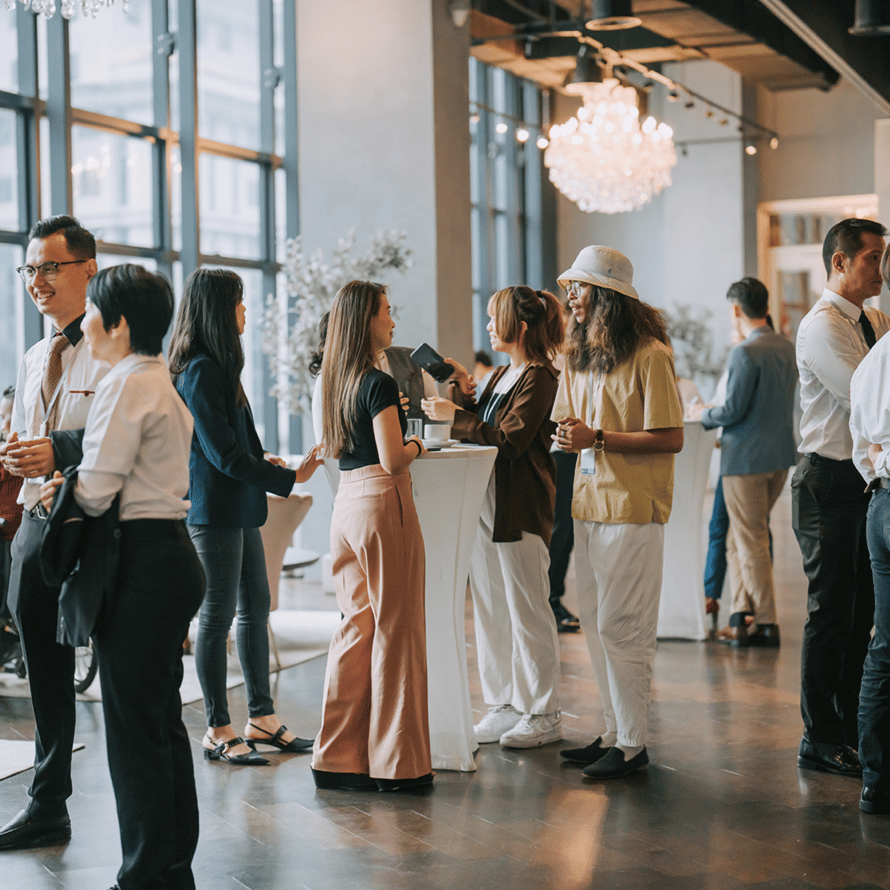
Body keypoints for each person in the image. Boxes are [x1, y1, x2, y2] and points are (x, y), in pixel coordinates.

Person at [39, 264, 205, 889]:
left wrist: (62, 489)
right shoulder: (159, 379)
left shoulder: (125, 383)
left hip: (139, 565)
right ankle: (168, 869)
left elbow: (100, 485)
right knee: (159, 726)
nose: (84, 321)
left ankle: (142, 876)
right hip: (167, 559)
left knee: (135, 736)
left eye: (92, 312)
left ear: (118, 323)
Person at [168, 268, 322, 765]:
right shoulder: (199, 370)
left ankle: (262, 717)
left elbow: (237, 445)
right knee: (215, 620)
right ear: (218, 308)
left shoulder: (217, 366)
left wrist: (268, 463)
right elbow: (221, 456)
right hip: (213, 511)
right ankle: (218, 727)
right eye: (239, 300)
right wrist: (288, 479)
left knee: (257, 609)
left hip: (236, 506)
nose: (246, 310)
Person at [552, 245, 684, 779]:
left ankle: (632, 743)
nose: (570, 297)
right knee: (597, 625)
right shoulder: (577, 355)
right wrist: (567, 435)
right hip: (588, 504)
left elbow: (671, 437)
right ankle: (612, 731)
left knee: (623, 625)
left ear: (607, 296)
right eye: (569, 288)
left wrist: (598, 437)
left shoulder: (652, 355)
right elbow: (570, 421)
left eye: (580, 288)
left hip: (631, 507)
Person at [0, 216, 108, 851]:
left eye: (49, 267)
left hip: (94, 529)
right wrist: (16, 455)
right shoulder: (35, 353)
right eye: (28, 269)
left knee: (119, 675)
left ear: (87, 270)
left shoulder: (118, 346)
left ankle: (148, 818)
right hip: (37, 529)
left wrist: (58, 450)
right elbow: (30, 442)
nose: (36, 281)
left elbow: (128, 437)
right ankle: (48, 802)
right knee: (43, 671)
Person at [423, 286, 565, 748]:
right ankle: (503, 704)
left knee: (528, 612)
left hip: (518, 506)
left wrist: (455, 416)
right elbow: (483, 424)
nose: (487, 326)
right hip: (485, 506)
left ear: (519, 328)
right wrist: (463, 395)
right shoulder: (504, 373)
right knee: (489, 610)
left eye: (493, 318)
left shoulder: (540, 377)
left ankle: (543, 712)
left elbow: (508, 441)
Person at [312, 280, 432, 792]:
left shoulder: (333, 382)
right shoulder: (378, 384)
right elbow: (392, 457)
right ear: (366, 320)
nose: (393, 321)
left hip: (346, 505)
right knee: (397, 631)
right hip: (384, 501)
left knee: (357, 627)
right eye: (387, 311)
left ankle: (335, 757)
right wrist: (419, 445)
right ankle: (398, 765)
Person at [793, 217, 889, 777]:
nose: (880, 268)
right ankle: (818, 735)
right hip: (826, 481)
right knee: (830, 612)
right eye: (871, 258)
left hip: (862, 481)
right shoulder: (821, 326)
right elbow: (868, 399)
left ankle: (852, 721)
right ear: (838, 262)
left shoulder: (874, 318)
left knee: (864, 613)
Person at [688, 278, 797, 646]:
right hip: (779, 457)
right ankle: (739, 616)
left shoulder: (745, 351)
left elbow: (732, 410)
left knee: (750, 541)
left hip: (745, 459)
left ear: (736, 309)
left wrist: (703, 414)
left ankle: (767, 622)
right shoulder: (786, 346)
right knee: (740, 537)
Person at [851, 241, 890, 814]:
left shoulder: (875, 358)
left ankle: (876, 783)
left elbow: (862, 445)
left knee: (884, 644)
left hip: (879, 503)